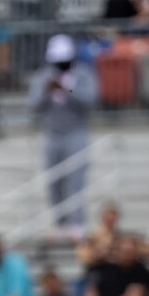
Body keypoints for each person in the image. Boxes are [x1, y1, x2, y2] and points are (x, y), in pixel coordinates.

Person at [31, 34, 97, 232]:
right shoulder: (43, 76)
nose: (60, 65)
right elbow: (33, 105)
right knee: (54, 183)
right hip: (52, 135)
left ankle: (77, 224)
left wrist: (67, 90)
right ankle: (60, 224)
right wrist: (46, 92)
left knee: (76, 181)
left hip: (76, 133)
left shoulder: (83, 74)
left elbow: (90, 101)